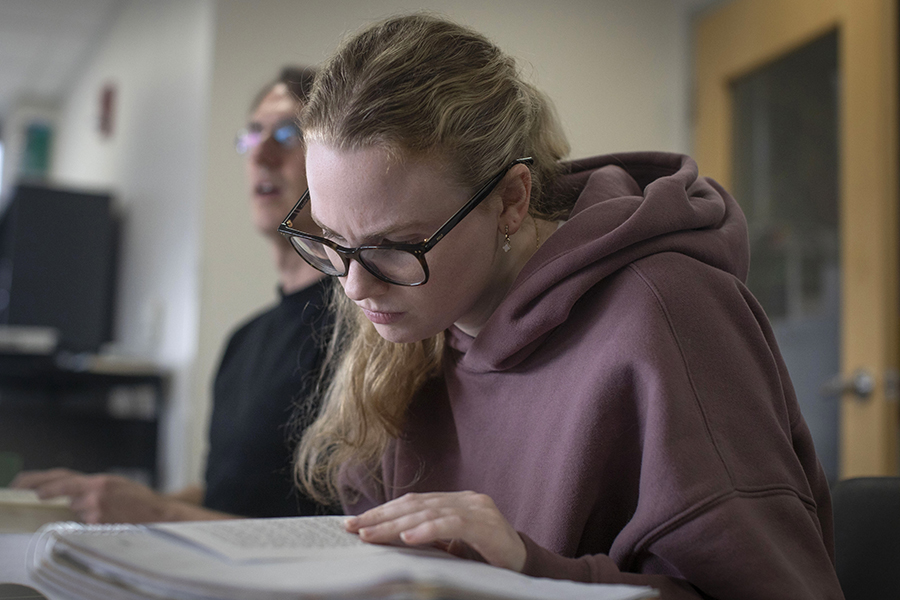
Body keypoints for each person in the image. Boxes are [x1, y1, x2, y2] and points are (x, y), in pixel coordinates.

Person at [279, 14, 845, 600]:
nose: (354, 287)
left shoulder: (668, 312)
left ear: (512, 201)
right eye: (331, 239)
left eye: (395, 246)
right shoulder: (413, 325)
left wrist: (530, 569)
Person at [12, 67, 335, 523]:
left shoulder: (362, 330)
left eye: (287, 132)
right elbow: (231, 494)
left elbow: (335, 532)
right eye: (252, 134)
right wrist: (104, 498)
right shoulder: (244, 341)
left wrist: (157, 512)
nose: (261, 153)